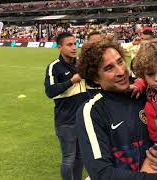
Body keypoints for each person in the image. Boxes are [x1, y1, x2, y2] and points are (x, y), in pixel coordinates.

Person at [76, 39, 157, 180]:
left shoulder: (147, 96)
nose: (121, 71)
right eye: (109, 68)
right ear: (95, 78)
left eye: (120, 61)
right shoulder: (92, 111)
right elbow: (101, 173)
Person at [44, 32, 89, 180]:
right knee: (69, 159)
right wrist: (72, 81)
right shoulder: (54, 67)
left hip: (83, 120)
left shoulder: (80, 64)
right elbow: (50, 91)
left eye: (75, 44)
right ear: (59, 48)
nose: (74, 47)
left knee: (81, 156)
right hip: (66, 121)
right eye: (69, 44)